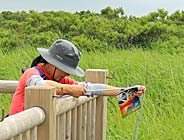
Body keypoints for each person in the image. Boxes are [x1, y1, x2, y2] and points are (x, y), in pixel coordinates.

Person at [8, 39, 145, 116]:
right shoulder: (32, 73)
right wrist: (69, 89)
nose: (67, 74)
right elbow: (38, 85)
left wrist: (124, 90)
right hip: (17, 131)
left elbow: (90, 88)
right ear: (52, 63)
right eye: (65, 70)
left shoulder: (59, 80)